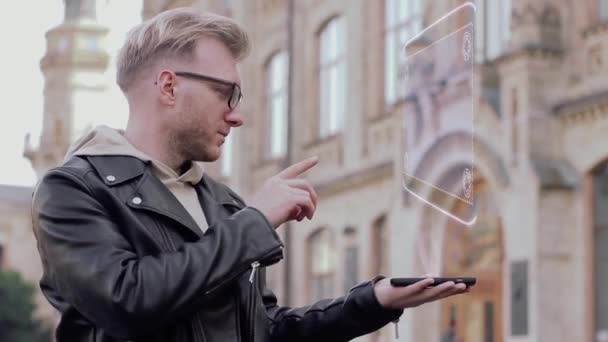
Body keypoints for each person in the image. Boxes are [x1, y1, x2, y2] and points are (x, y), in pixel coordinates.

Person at [31, 8, 468, 342]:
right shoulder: (72, 190)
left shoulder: (222, 203)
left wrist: (371, 302)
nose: (237, 115)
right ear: (168, 86)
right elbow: (128, 302)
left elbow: (266, 330)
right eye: (227, 93)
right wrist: (253, 223)